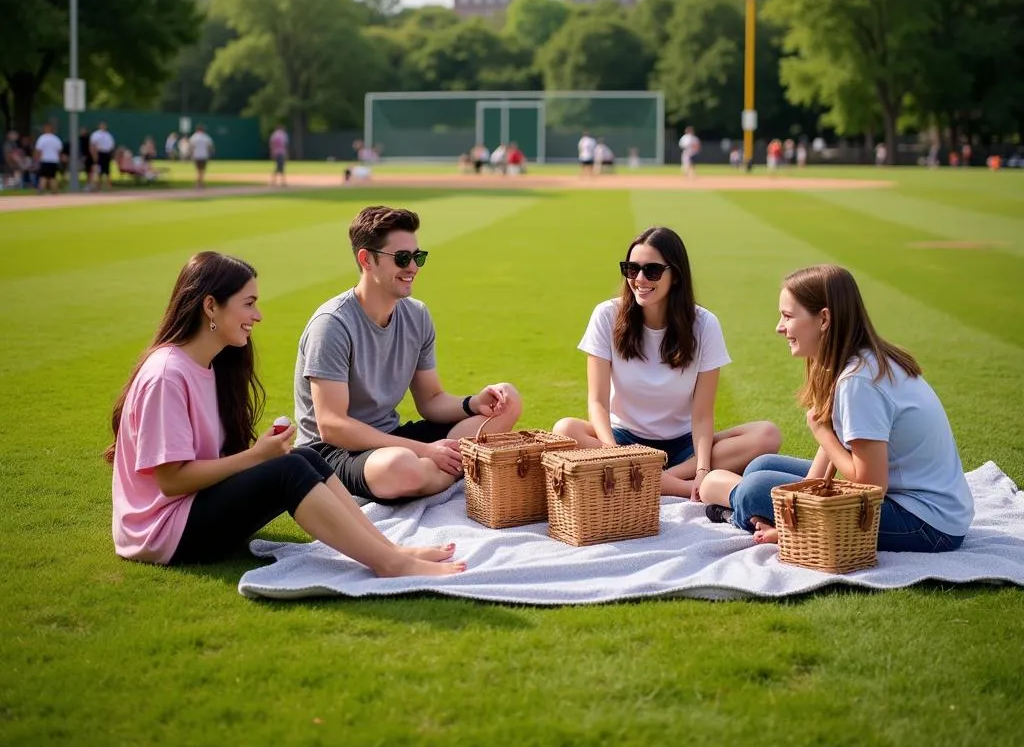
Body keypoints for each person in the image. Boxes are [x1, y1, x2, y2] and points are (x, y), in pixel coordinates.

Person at [107, 251, 465, 576]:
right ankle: (390, 564)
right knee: (288, 470)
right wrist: (254, 458)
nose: (257, 316)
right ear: (211, 307)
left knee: (304, 456)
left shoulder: (210, 367)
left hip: (191, 513)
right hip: (161, 535)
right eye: (248, 304)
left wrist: (259, 456)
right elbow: (171, 481)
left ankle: (390, 550)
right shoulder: (167, 374)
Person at [700, 265, 974, 552]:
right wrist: (800, 502)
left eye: (788, 316)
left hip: (925, 524)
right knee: (762, 466)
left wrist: (823, 434)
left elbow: (871, 487)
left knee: (755, 489)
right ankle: (763, 515)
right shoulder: (859, 363)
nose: (779, 327)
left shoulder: (859, 382)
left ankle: (737, 514)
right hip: (916, 504)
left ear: (824, 319)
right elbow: (828, 470)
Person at [293, 206, 523, 503]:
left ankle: (437, 469)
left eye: (418, 257)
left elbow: (431, 401)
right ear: (367, 259)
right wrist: (426, 451)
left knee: (508, 401)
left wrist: (474, 403)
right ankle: (452, 466)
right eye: (402, 258)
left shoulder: (417, 315)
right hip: (330, 454)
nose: (413, 267)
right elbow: (333, 426)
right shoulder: (332, 325)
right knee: (400, 468)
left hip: (391, 438)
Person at [553, 227, 781, 498]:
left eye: (652, 271)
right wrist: (613, 452)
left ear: (675, 276)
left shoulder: (704, 325)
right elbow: (597, 402)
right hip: (623, 441)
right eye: (631, 269)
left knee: (767, 435)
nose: (639, 279)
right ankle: (682, 488)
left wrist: (702, 469)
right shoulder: (607, 316)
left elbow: (702, 413)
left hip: (684, 447)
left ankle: (654, 479)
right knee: (565, 430)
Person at [34, 122, 64, 194]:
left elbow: (38, 150)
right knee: (52, 176)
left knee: (43, 176)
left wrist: (36, 159)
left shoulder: (42, 138)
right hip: (54, 160)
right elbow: (59, 150)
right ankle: (54, 191)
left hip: (44, 159)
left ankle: (41, 190)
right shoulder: (56, 139)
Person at [89, 121, 116, 191]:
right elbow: (93, 145)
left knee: (107, 171)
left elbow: (111, 146)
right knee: (98, 171)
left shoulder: (108, 135)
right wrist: (94, 155)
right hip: (99, 153)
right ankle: (97, 186)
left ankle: (109, 186)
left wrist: (112, 154)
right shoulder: (96, 134)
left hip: (107, 153)